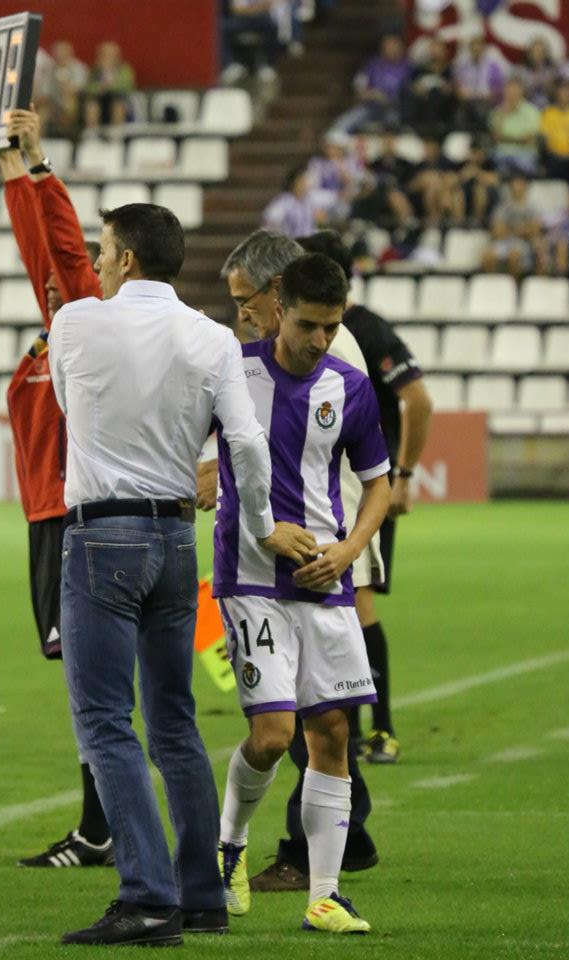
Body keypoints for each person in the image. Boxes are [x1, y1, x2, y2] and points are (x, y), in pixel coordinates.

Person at [49, 203, 309, 946]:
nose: (97, 263)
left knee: (105, 720)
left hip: (102, 535)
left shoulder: (76, 323)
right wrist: (260, 524)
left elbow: (73, 411)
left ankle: (147, 896)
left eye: (104, 251)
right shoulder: (213, 337)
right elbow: (248, 446)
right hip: (175, 538)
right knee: (174, 719)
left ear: (127, 258)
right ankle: (202, 893)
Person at [200, 228, 383, 892]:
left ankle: (324, 884)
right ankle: (236, 842)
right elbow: (224, 445)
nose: (321, 339)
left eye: (246, 301)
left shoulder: (343, 372)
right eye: (312, 325)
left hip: (328, 560)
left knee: (329, 727)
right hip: (252, 572)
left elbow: (371, 475)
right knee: (281, 732)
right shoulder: (237, 368)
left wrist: (350, 549)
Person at [0, 105, 114, 870]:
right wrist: (8, 166)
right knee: (85, 684)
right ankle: (104, 823)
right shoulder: (56, 326)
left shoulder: (85, 319)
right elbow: (40, 253)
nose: (54, 286)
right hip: (48, 518)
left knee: (92, 685)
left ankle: (103, 828)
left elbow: (55, 251)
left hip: (71, 516)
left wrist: (38, 163)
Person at [299, 230, 432, 764]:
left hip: (359, 487)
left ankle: (374, 728)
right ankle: (356, 729)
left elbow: (417, 400)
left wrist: (401, 476)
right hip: (328, 489)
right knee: (344, 605)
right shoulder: (312, 333)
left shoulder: (361, 330)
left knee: (357, 602)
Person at [334, 34, 411, 132]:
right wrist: (368, 93)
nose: (389, 48)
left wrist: (387, 98)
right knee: (341, 125)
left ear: (400, 47)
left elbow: (410, 92)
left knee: (393, 123)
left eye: (392, 45)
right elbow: (359, 84)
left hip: (396, 110)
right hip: (371, 107)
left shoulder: (408, 66)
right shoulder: (373, 64)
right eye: (386, 45)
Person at [481, 172, 546, 277]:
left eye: (519, 184)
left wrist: (510, 229)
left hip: (524, 244)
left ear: (525, 186)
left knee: (514, 254)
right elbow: (497, 231)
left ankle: (513, 288)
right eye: (514, 184)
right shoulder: (503, 207)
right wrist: (522, 229)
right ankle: (492, 286)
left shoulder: (533, 207)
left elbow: (535, 230)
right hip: (504, 242)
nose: (516, 187)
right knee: (487, 255)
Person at [489, 77, 541, 175]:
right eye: (508, 88)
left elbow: (528, 139)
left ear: (522, 91)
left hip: (524, 153)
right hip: (502, 153)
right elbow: (495, 138)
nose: (511, 92)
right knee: (497, 164)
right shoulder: (498, 112)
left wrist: (504, 138)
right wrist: (504, 115)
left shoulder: (532, 111)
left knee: (524, 165)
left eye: (515, 89)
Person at [83, 42, 135, 129]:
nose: (108, 57)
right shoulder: (95, 70)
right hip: (99, 100)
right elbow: (89, 88)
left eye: (111, 55)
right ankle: (92, 135)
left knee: (118, 106)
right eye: (105, 54)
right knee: (91, 107)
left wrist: (109, 85)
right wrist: (101, 87)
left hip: (119, 99)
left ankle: (116, 135)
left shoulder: (124, 69)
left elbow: (126, 86)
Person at [262, 165, 321, 237]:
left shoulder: (310, 200)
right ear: (295, 182)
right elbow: (271, 216)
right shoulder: (285, 201)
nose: (306, 184)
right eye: (303, 180)